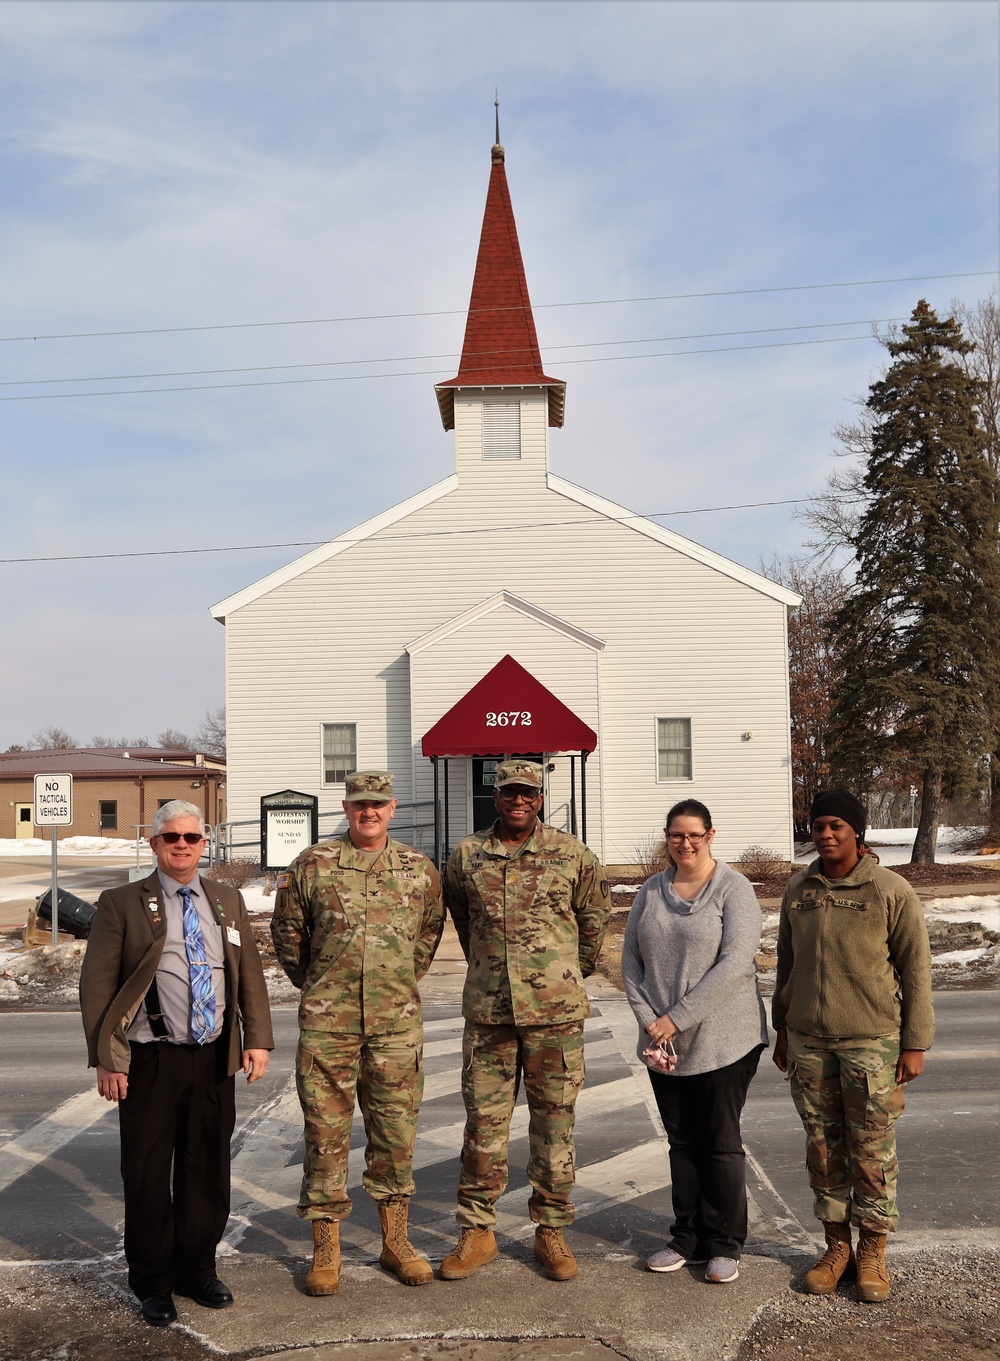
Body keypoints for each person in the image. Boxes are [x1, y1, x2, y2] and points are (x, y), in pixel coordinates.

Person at [79, 799, 273, 1328]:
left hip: (213, 1057)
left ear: (204, 844)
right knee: (145, 1173)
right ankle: (153, 1281)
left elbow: (247, 974)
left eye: (191, 837)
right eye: (171, 837)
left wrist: (255, 1039)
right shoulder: (121, 903)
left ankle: (196, 1269)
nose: (181, 845)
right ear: (155, 844)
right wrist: (106, 1059)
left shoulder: (227, 899)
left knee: (206, 1167)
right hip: (149, 1060)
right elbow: (97, 987)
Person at [271, 770, 445, 1294]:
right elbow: (287, 935)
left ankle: (396, 1241)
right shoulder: (313, 865)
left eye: (379, 804)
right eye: (359, 804)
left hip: (395, 1024)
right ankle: (326, 1247)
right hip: (329, 1025)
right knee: (325, 1135)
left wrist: (394, 982)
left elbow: (428, 935)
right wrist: (322, 985)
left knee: (395, 1135)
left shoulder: (418, 869)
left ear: (393, 809)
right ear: (346, 809)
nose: (369, 812)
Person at [439, 758, 611, 1283]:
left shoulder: (573, 855)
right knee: (483, 1126)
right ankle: (477, 1230)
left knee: (554, 1124)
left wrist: (563, 974)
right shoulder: (467, 856)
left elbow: (594, 922)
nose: (519, 800)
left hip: (555, 1016)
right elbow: (463, 923)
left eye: (528, 793)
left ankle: (551, 1229)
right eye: (510, 792)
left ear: (540, 797)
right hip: (490, 1014)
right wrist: (493, 967)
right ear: (496, 795)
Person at [772, 788, 934, 1303]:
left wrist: (915, 1044)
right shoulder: (800, 888)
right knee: (823, 1148)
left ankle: (873, 1252)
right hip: (808, 1041)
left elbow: (916, 972)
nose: (825, 834)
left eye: (836, 825)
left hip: (871, 1042)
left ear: (856, 832)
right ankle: (835, 1246)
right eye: (819, 825)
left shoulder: (889, 890)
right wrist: (781, 1029)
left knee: (871, 1151)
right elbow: (786, 964)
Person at [621, 798, 767, 1286]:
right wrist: (651, 1022)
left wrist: (675, 1019)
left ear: (710, 835)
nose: (685, 844)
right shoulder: (651, 890)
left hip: (725, 1039)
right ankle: (687, 1237)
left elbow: (736, 963)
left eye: (694, 835)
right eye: (676, 835)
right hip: (664, 1041)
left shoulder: (733, 889)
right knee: (682, 1143)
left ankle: (725, 1244)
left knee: (719, 1143)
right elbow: (630, 962)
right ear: (667, 838)